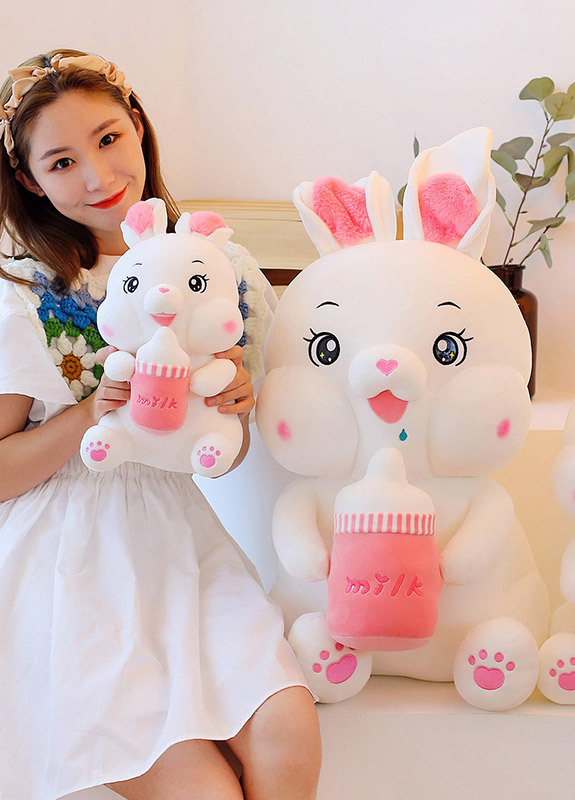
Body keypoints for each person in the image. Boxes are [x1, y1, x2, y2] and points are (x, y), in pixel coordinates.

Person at [0, 50, 321, 800]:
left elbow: (222, 459)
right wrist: (91, 413)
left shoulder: (217, 268)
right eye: (62, 161)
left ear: (139, 126)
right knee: (201, 790)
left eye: (109, 138)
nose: (97, 175)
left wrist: (233, 406)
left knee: (287, 729)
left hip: (179, 538)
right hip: (67, 561)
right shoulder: (22, 291)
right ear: (30, 181)